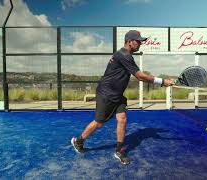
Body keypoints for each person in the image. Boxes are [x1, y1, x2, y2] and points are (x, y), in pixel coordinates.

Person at [71, 30, 174, 165]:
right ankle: (79, 141)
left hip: (117, 95)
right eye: (138, 41)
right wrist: (162, 82)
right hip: (106, 94)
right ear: (129, 41)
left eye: (141, 41)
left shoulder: (126, 55)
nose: (140, 44)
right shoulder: (124, 55)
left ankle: (119, 150)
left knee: (122, 119)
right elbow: (140, 76)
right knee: (99, 122)